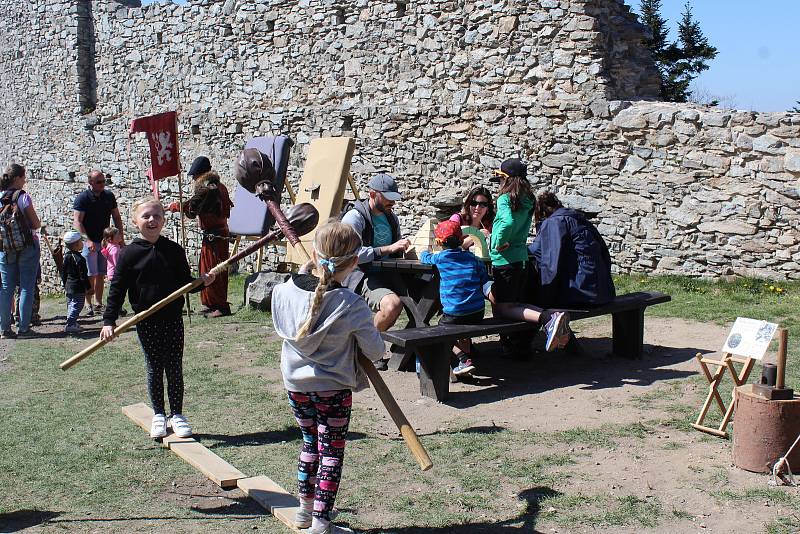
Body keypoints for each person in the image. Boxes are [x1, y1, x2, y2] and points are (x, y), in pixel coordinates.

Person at [271, 221, 385, 534]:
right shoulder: (352, 305)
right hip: (332, 388)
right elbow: (375, 352)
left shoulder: (283, 291)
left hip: (296, 385)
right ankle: (321, 524)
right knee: (331, 452)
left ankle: (304, 514)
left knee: (310, 444)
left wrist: (304, 274)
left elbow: (299, 297)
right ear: (354, 263)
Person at [100, 198, 215, 439]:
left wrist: (200, 282)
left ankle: (177, 414)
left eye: (157, 216)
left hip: (173, 318)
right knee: (154, 367)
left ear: (163, 219)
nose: (152, 220)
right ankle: (159, 415)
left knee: (174, 366)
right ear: (134, 222)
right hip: (146, 320)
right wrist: (109, 321)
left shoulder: (174, 250)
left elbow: (184, 284)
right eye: (146, 216)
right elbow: (117, 289)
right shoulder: (129, 254)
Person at [489, 158, 569, 353]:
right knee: (513, 303)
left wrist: (499, 242)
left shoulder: (505, 199)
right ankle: (525, 338)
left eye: (500, 179)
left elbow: (507, 222)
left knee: (504, 308)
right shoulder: (528, 200)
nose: (499, 184)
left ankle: (548, 318)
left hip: (505, 260)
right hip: (521, 259)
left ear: (506, 179)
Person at [341, 174, 410, 359]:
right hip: (360, 275)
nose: (392, 203)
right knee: (392, 306)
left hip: (390, 273)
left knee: (426, 294)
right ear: (372, 194)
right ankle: (364, 349)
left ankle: (411, 351)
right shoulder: (354, 217)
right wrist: (386, 249)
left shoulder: (391, 218)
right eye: (387, 198)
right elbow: (350, 254)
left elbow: (394, 250)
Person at [420, 220, 492, 377]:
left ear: (439, 242)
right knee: (459, 323)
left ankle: (462, 358)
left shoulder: (441, 258)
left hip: (454, 313)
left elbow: (425, 257)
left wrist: (424, 252)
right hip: (477, 312)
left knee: (440, 331)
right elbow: (483, 278)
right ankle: (464, 358)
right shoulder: (473, 259)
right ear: (461, 240)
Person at [168, 157, 234, 317]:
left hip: (216, 234)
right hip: (213, 233)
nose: (193, 179)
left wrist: (179, 207)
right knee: (206, 269)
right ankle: (210, 303)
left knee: (215, 270)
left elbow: (193, 208)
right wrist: (178, 205)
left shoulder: (208, 187)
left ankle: (220, 305)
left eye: (194, 175)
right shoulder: (217, 186)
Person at [529, 191, 615, 308]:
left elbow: (550, 263)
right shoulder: (580, 220)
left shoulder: (554, 222)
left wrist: (545, 297)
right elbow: (604, 254)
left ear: (542, 213)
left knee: (527, 305)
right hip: (602, 291)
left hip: (580, 293)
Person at [73, 170, 124, 315]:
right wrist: (86, 239)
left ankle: (98, 303)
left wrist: (120, 238)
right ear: (90, 183)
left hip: (104, 241)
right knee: (90, 273)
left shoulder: (108, 196)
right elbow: (77, 221)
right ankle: (88, 304)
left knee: (101, 273)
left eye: (104, 181)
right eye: (99, 182)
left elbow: (116, 217)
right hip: (90, 241)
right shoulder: (83, 198)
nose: (102, 185)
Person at [0, 163, 41, 339]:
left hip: (5, 248)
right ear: (17, 178)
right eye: (23, 178)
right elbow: (36, 224)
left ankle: (5, 329)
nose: (25, 181)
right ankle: (24, 329)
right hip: (26, 247)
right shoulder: (22, 198)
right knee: (26, 286)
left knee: (5, 287)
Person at [60, 231, 90, 334]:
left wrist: (64, 284)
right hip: (78, 287)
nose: (83, 243)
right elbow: (83, 275)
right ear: (76, 244)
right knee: (78, 304)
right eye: (81, 241)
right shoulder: (80, 259)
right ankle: (71, 324)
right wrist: (88, 287)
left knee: (71, 304)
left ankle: (72, 322)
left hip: (69, 285)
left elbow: (63, 272)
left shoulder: (66, 257)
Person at [449, 185, 494, 252]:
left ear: (488, 207)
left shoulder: (489, 224)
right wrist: (477, 235)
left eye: (483, 204)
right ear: (468, 204)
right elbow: (450, 248)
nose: (477, 208)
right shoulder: (457, 219)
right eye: (474, 203)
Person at [100, 227, 127, 316]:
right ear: (110, 239)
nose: (120, 236)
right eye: (118, 235)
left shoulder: (111, 246)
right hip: (116, 273)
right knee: (118, 292)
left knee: (116, 291)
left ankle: (117, 308)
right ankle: (117, 308)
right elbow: (117, 263)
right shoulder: (115, 249)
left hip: (112, 273)